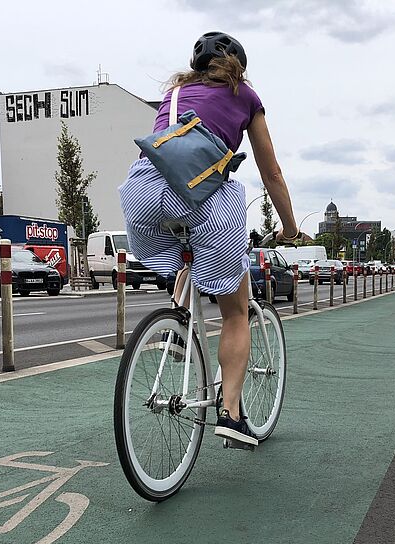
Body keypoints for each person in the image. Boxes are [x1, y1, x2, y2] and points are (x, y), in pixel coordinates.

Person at [118, 32, 299, 448]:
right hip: (204, 197)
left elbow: (169, 154)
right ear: (238, 66)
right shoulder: (246, 96)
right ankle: (232, 414)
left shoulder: (176, 93)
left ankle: (177, 329)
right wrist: (290, 227)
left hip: (141, 192)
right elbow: (271, 173)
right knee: (235, 313)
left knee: (184, 252)